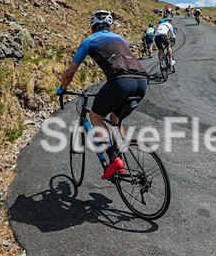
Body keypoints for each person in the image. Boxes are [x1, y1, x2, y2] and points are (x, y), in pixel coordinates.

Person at [57, 10, 149, 179]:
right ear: (110, 26)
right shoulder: (121, 39)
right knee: (115, 119)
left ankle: (113, 160)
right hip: (142, 81)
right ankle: (120, 159)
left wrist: (62, 88)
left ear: (92, 28)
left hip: (120, 81)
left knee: (95, 117)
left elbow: (69, 73)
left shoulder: (89, 41)